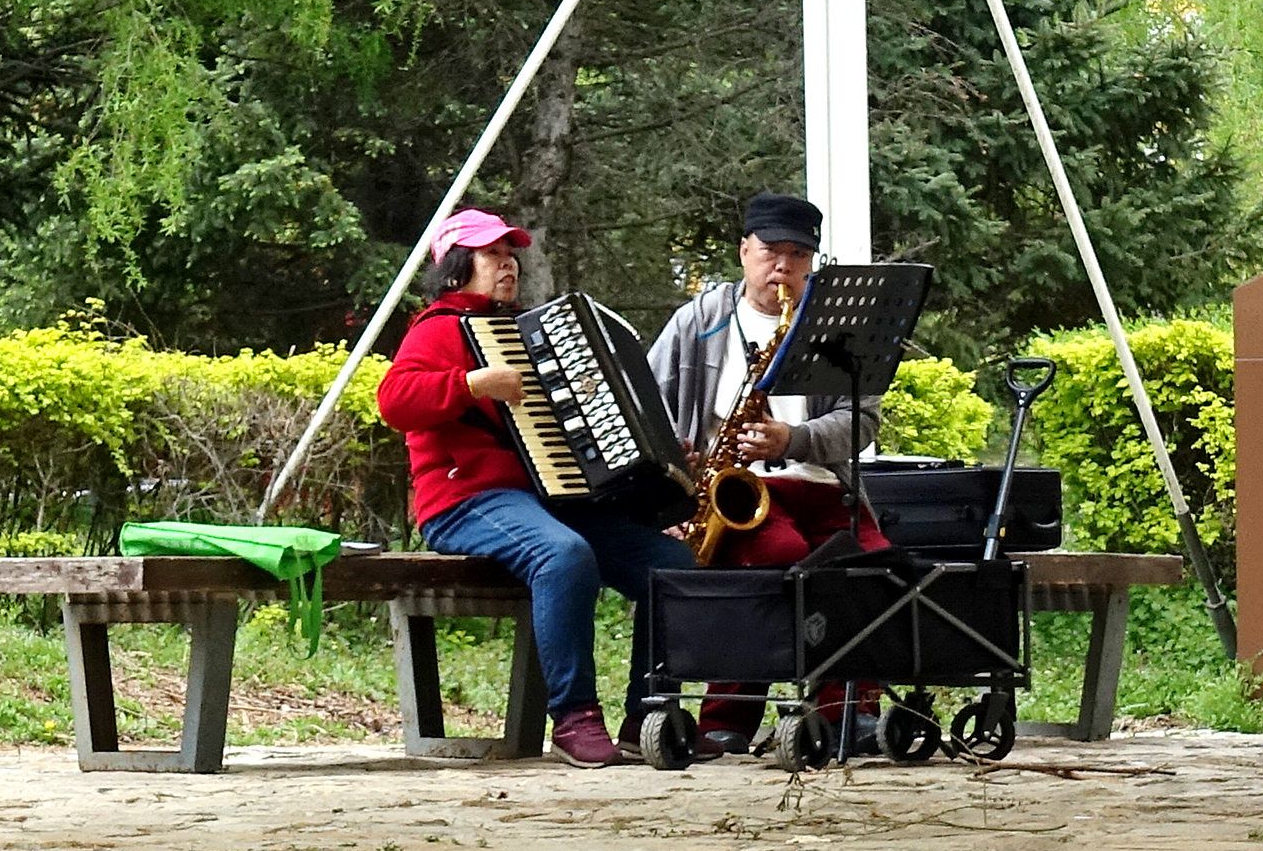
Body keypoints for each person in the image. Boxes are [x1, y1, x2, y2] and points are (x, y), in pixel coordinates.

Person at [376, 208, 722, 768]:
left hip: (550, 499)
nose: (507, 264)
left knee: (672, 565)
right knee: (562, 554)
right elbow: (394, 401)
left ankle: (650, 717)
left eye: (510, 254)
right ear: (458, 265)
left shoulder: (528, 332)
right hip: (466, 501)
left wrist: (651, 454)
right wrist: (471, 383)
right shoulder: (437, 328)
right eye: (492, 254)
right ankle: (574, 717)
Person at [647, 191, 892, 754]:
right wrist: (674, 475)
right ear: (743, 251)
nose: (781, 267)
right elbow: (647, 405)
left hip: (822, 483)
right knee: (775, 553)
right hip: (733, 487)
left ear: (813, 261)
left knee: (871, 560)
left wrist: (793, 439)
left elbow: (862, 420)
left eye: (797, 255)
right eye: (769, 252)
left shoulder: (838, 328)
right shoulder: (699, 321)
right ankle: (727, 715)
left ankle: (848, 710)